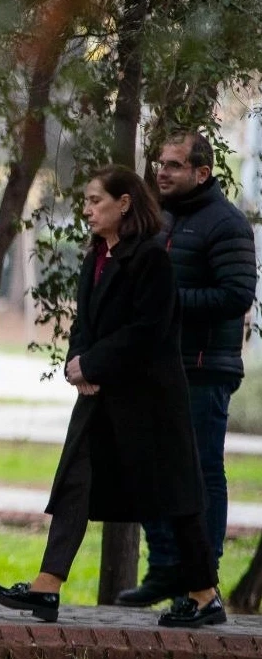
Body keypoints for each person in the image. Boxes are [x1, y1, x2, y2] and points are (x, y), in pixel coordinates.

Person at [0, 166, 224, 628]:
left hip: (149, 401)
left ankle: (204, 595)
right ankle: (47, 586)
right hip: (101, 397)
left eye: (96, 200)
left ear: (125, 203)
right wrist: (78, 363)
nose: (88, 209)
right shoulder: (98, 253)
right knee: (74, 482)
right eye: (87, 201)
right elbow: (85, 324)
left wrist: (93, 365)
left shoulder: (150, 258)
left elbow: (147, 330)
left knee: (175, 494)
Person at [117, 132, 256, 607]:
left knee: (199, 472)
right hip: (154, 365)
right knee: (154, 470)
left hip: (202, 368)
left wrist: (167, 303)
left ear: (202, 172)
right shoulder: (158, 219)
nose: (162, 171)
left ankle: (204, 579)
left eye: (174, 165)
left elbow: (236, 296)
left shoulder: (228, 224)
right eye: (160, 163)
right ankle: (165, 569)